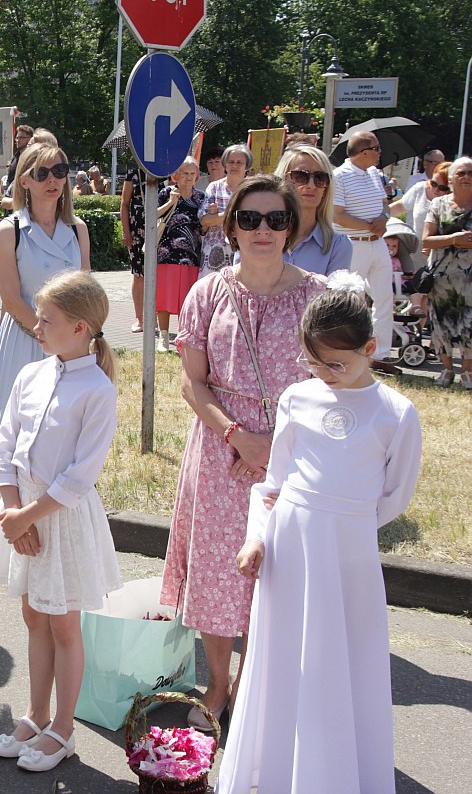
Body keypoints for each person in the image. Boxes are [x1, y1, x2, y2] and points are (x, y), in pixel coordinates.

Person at [218, 275, 421, 794]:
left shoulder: (395, 413)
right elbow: (274, 481)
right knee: (284, 655)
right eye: (313, 362)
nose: (324, 374)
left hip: (349, 550)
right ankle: (276, 768)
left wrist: (346, 524)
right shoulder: (297, 398)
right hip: (291, 544)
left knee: (343, 659)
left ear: (369, 349)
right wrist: (256, 536)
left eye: (337, 363)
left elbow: (395, 493)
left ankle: (334, 774)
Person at [160, 175, 328, 729]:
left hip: (292, 458)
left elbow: (335, 386)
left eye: (275, 220)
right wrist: (239, 436)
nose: (263, 230)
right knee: (216, 571)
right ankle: (217, 684)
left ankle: (258, 684)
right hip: (218, 451)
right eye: (250, 219)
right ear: (230, 226)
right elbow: (192, 383)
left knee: (275, 572)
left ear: (291, 228)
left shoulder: (319, 297)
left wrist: (273, 449)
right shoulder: (206, 292)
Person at [0, 270, 122, 773]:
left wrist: (28, 517)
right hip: (22, 513)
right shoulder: (30, 375)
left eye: (47, 320)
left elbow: (81, 475)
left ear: (81, 328)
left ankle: (64, 728)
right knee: (32, 617)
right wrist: (12, 508)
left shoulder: (98, 391)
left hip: (58, 519)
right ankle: (36, 714)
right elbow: (4, 447)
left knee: (64, 624)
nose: (36, 328)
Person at [0, 144, 89, 464]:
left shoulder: (78, 228)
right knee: (20, 440)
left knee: (66, 439)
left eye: (60, 171)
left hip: (70, 345)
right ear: (24, 181)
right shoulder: (8, 231)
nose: (52, 180)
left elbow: (86, 292)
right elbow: (12, 300)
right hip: (25, 340)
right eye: (41, 173)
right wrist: (50, 336)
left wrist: (78, 341)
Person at [331, 131, 398, 376]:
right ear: (364, 151)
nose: (381, 152)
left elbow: (384, 204)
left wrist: (383, 218)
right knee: (351, 300)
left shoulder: (373, 173)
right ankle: (349, 351)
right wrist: (372, 225)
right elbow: (337, 214)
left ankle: (380, 354)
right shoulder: (339, 176)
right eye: (377, 148)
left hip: (376, 242)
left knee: (384, 298)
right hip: (353, 243)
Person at [421, 155, 472, 388]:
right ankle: (447, 370)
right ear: (450, 178)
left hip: (469, 278)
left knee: (469, 324)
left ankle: (467, 373)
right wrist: (453, 239)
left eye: (471, 173)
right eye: (461, 173)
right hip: (441, 278)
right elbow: (427, 240)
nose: (467, 177)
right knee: (440, 323)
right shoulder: (438, 205)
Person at [273, 144, 352, 277]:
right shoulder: (258, 235)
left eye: (320, 178)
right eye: (300, 176)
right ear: (282, 180)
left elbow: (334, 298)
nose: (311, 185)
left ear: (326, 188)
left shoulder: (338, 245)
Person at [155, 158, 204, 352]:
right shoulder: (166, 193)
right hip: (167, 253)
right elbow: (151, 215)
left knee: (187, 298)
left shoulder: (200, 197)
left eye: (192, 174)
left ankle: (183, 336)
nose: (189, 178)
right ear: (176, 175)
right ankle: (163, 337)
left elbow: (204, 223)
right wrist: (170, 203)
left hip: (192, 255)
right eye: (185, 173)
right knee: (165, 296)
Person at [199, 144, 253, 278]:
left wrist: (218, 216)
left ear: (247, 165)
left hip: (245, 251)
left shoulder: (253, 190)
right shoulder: (214, 187)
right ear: (225, 165)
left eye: (239, 162)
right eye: (231, 162)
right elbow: (205, 220)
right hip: (214, 253)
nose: (234, 166)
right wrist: (235, 212)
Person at [393, 160, 449, 269]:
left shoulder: (455, 204)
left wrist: (435, 244)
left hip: (442, 261)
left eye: (443, 188)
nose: (436, 189)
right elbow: (400, 206)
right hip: (415, 257)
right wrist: (378, 215)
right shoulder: (420, 189)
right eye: (434, 184)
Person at [120, 165, 146, 332]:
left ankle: (156, 318)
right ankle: (140, 318)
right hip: (138, 232)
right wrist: (126, 231)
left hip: (161, 230)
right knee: (139, 276)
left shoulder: (166, 171)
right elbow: (124, 204)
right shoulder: (134, 172)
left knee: (160, 276)